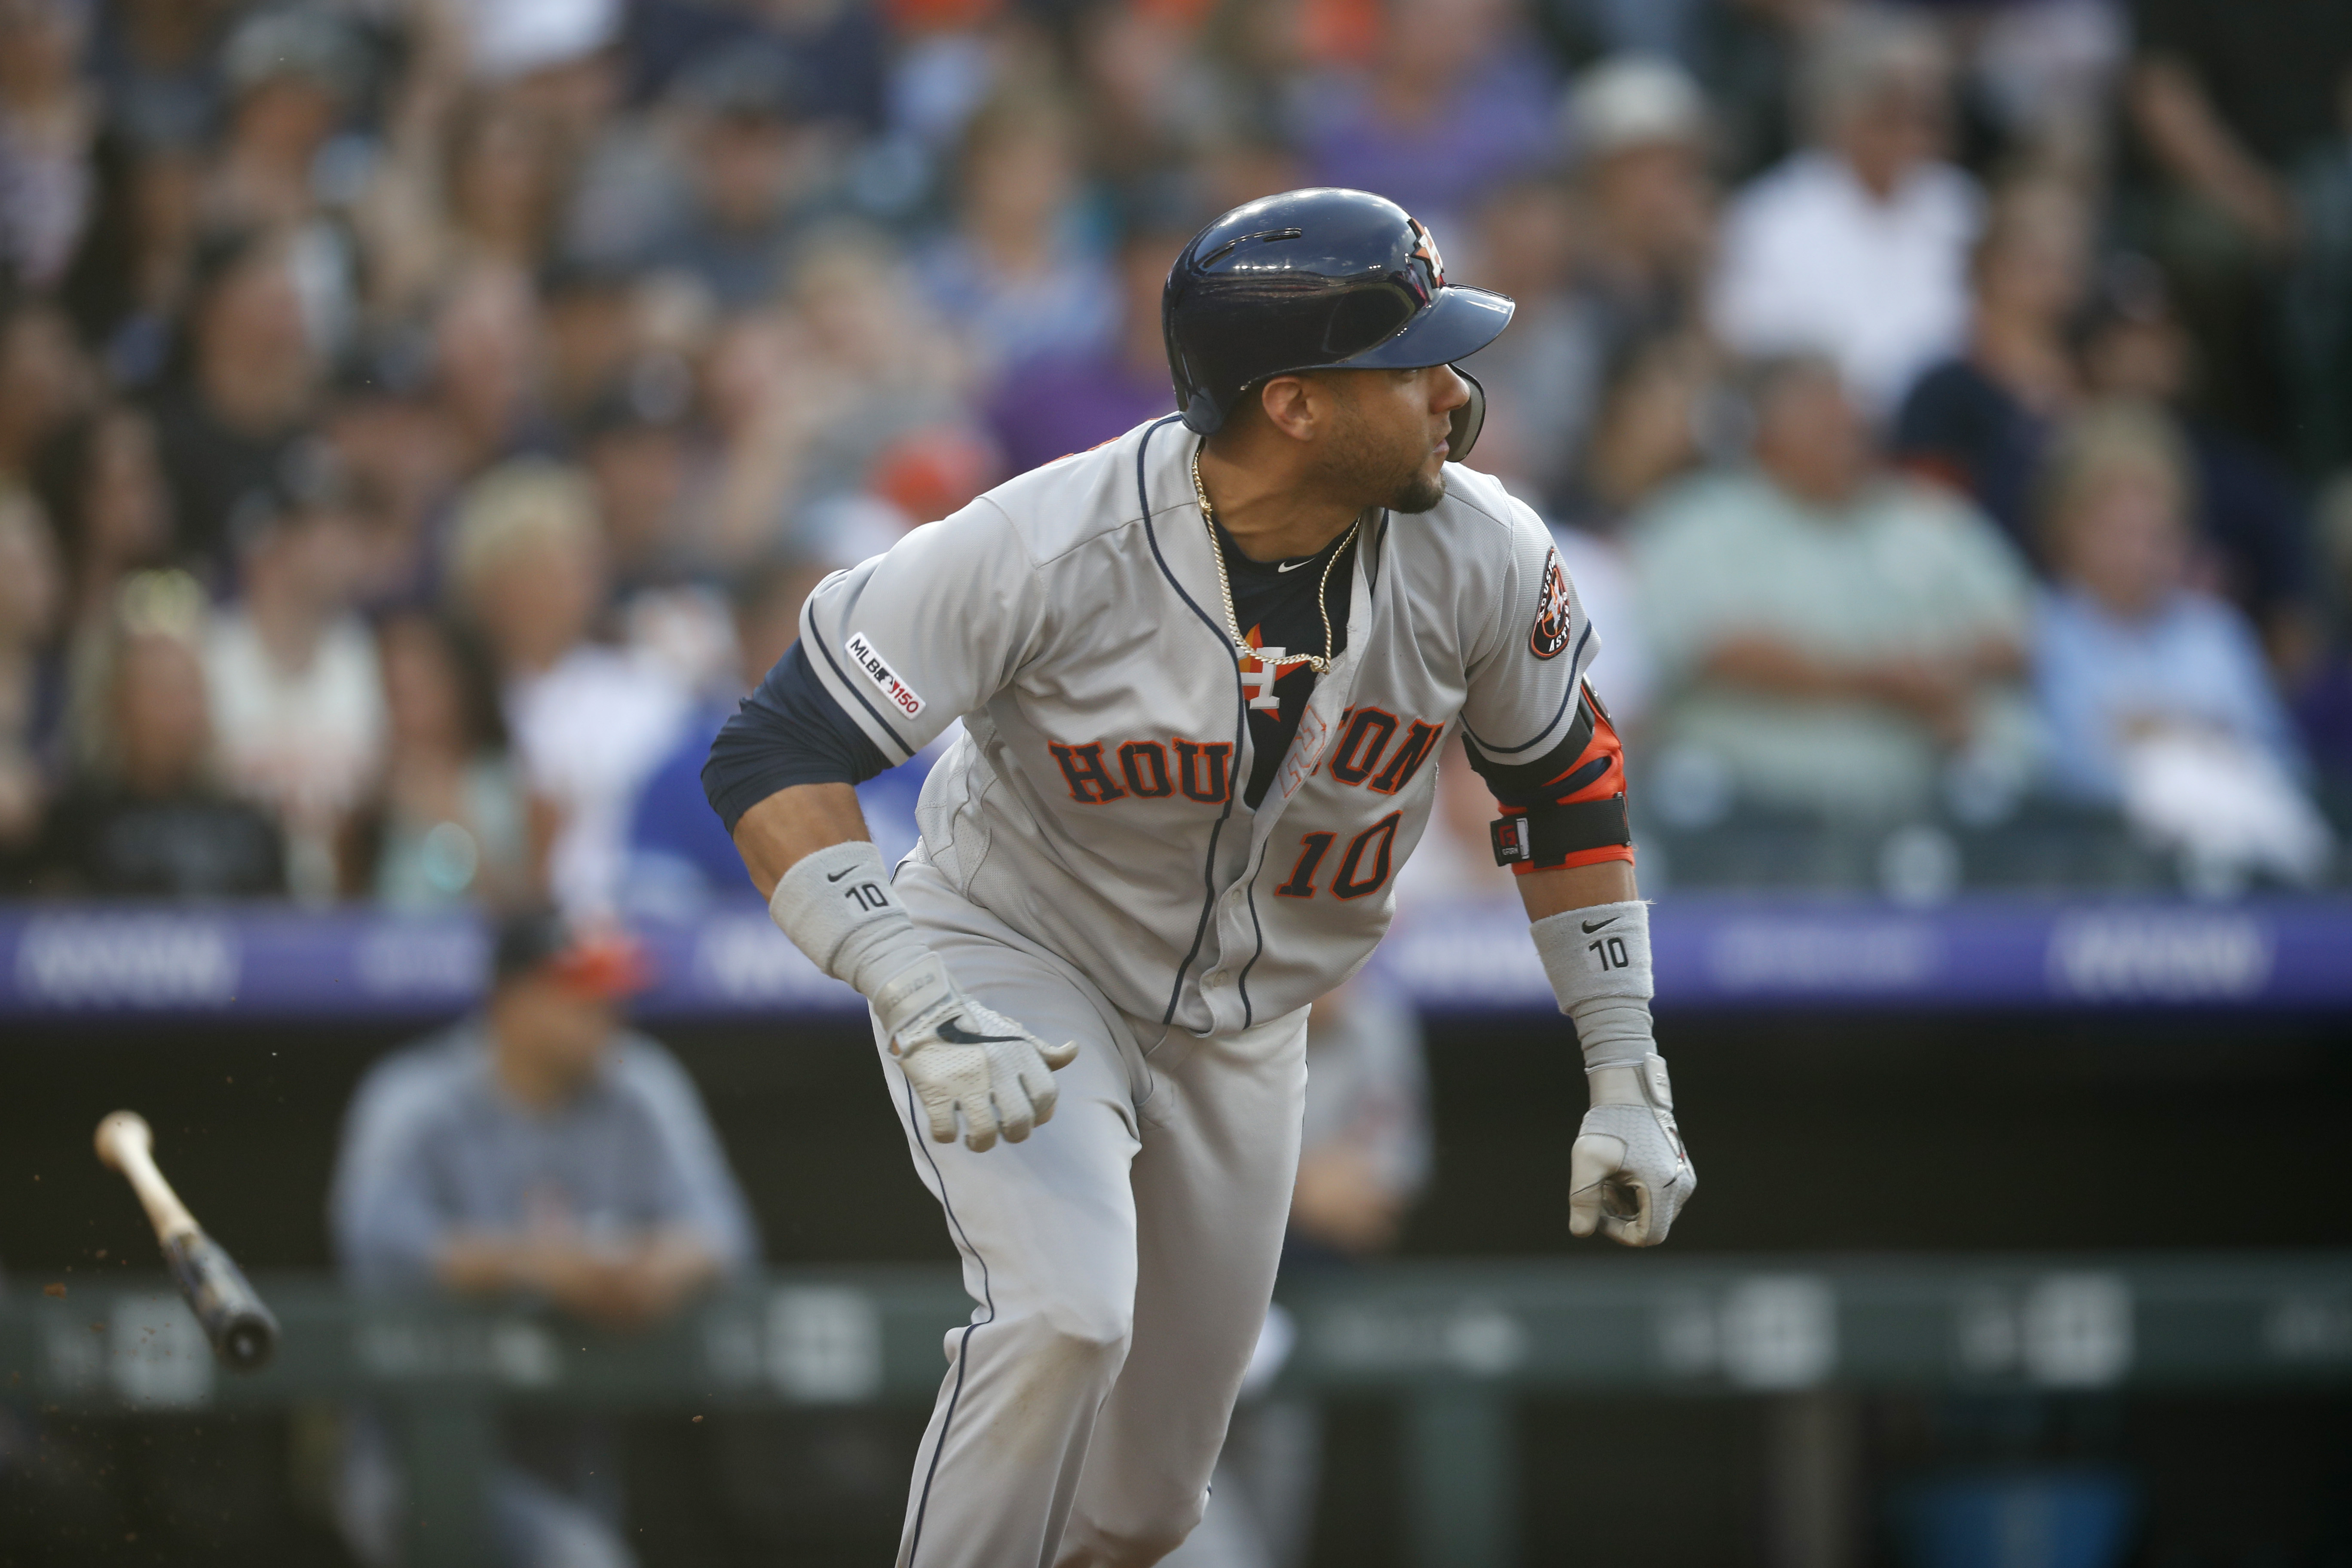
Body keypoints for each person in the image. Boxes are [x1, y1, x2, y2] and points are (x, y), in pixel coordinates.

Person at [701, 188, 1695, 1566]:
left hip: (1251, 1023)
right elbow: (774, 748)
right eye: (1413, 367)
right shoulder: (1048, 541)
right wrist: (910, 986)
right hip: (1018, 951)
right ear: (1293, 402)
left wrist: (1626, 1068)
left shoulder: (1485, 550)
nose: (1457, 399)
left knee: (1149, 1507)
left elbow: (1562, 785)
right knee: (1063, 1315)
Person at [330, 909, 757, 1568]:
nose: (608, 1013)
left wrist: (663, 1266)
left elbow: (723, 1229)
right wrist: (535, 1266)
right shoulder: (417, 1095)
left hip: (569, 1449)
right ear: (513, 1001)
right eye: (582, 993)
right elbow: (374, 1243)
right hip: (417, 1443)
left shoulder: (640, 1083)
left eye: (614, 994)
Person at [1633, 355, 2036, 822]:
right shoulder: (1698, 519)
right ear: (1764, 434)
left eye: (1852, 418)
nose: (1848, 429)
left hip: (1923, 807)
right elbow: (1720, 647)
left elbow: (2020, 634)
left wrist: (1942, 667)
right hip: (1746, 815)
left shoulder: (1926, 515)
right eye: (1822, 417)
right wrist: (1878, 681)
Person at [2033, 402, 2330, 883]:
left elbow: (2279, 758)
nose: (2139, 552)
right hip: (2092, 876)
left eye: (2156, 534)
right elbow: (2058, 769)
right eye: (2119, 531)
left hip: (2238, 877)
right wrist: (2192, 737)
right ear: (2067, 529)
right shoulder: (2041, 630)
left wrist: (2157, 731)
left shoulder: (2215, 630)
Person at [1709, 8, 1981, 419]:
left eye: (1927, 116)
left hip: (1943, 438)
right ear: (1840, 113)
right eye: (1891, 114)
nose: (1913, 133)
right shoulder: (1770, 217)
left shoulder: (1961, 208)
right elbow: (1749, 348)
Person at [34, 568, 285, 897]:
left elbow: (283, 939)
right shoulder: (73, 825)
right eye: (161, 692)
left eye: (189, 690)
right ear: (117, 703)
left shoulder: (252, 829)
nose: (179, 711)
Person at [1894, 178, 2095, 562]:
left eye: (2069, 261)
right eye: (2037, 260)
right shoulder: (1942, 394)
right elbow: (1924, 529)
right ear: (1988, 264)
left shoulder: (2097, 381)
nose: (2056, 279)